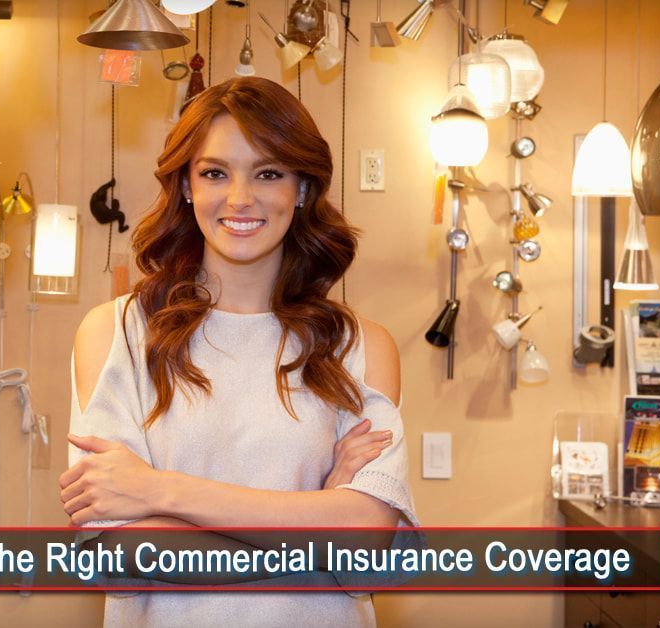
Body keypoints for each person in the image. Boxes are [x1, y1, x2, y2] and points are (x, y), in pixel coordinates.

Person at [58, 77, 419, 627]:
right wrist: (318, 523)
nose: (240, 198)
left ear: (301, 189)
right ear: (186, 186)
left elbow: (365, 546)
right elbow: (123, 551)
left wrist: (160, 490)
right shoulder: (117, 334)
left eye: (268, 173)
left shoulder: (361, 346)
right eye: (215, 173)